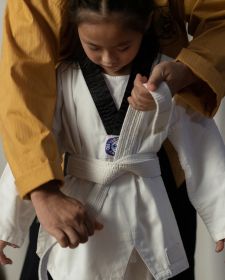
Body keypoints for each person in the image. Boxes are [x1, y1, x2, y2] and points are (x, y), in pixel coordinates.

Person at [0, 0, 225, 279]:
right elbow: (29, 116)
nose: (109, 59)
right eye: (94, 47)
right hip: (70, 194)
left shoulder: (163, 80)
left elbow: (202, 148)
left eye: (122, 46)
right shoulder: (65, 79)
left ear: (144, 26)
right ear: (76, 29)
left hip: (154, 191)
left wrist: (221, 218)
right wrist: (22, 209)